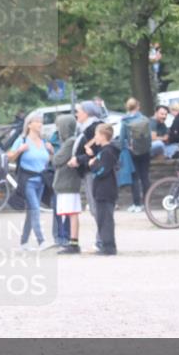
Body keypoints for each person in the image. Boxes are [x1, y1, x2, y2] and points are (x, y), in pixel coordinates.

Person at [8, 112, 54, 251]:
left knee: (31, 212)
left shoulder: (45, 142)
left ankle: (24, 243)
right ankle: (41, 241)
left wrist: (51, 152)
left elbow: (48, 161)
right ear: (29, 125)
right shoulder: (22, 141)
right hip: (28, 181)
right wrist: (19, 151)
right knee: (35, 209)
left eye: (41, 122)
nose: (40, 124)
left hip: (41, 181)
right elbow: (9, 157)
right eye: (37, 122)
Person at [69, 100, 104, 248]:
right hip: (88, 171)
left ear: (87, 113)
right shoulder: (88, 128)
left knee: (96, 208)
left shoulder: (93, 129)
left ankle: (102, 240)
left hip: (93, 172)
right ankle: (101, 239)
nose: (77, 114)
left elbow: (96, 153)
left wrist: (78, 159)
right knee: (95, 208)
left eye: (79, 111)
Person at [53, 114, 82, 254]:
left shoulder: (70, 142)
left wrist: (55, 155)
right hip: (68, 183)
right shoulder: (69, 141)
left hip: (68, 183)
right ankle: (72, 241)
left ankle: (73, 242)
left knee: (71, 214)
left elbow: (57, 159)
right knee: (70, 213)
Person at [88, 123, 119, 255]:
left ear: (103, 136)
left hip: (105, 190)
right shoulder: (104, 151)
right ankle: (105, 245)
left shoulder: (107, 152)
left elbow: (101, 170)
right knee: (102, 218)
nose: (95, 138)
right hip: (102, 190)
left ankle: (108, 246)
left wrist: (92, 164)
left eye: (96, 135)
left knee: (105, 219)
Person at [121, 98, 152, 212]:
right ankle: (147, 202)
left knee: (135, 177)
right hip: (145, 151)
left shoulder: (125, 120)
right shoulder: (144, 119)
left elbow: (122, 137)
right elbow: (149, 136)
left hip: (132, 151)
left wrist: (124, 148)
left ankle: (137, 204)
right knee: (145, 177)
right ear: (138, 107)